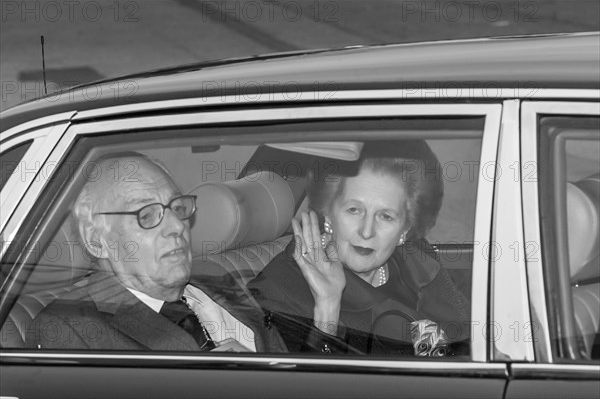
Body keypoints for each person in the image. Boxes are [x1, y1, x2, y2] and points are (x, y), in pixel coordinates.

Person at [26, 153, 286, 353]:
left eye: (177, 206)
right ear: (96, 241)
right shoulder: (68, 329)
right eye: (146, 215)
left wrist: (325, 314)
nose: (176, 226)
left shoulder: (215, 274)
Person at [248, 140, 470, 355]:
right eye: (354, 210)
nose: (366, 231)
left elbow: (469, 339)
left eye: (386, 216)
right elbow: (302, 388)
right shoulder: (282, 289)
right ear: (328, 211)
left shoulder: (418, 260)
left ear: (405, 229)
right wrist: (328, 306)